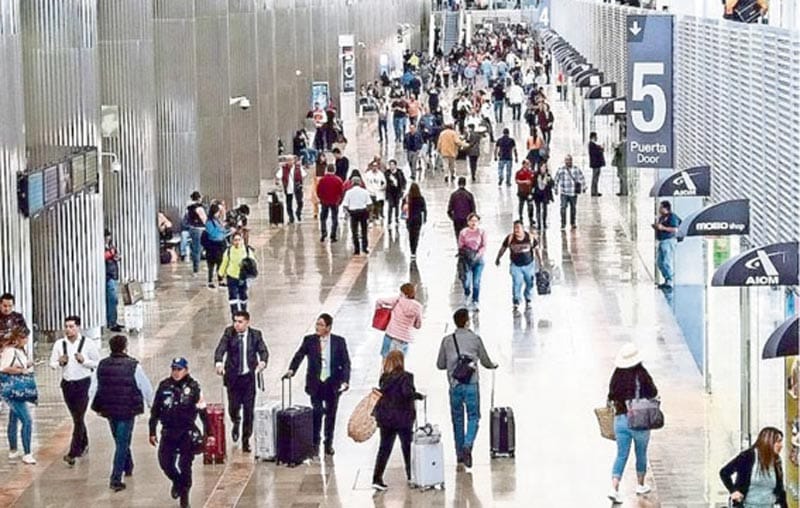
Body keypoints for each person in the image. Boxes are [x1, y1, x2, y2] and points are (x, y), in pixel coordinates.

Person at [90, 334, 154, 492]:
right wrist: (151, 404)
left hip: (109, 409)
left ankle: (128, 465)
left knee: (120, 440)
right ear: (125, 347)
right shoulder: (133, 366)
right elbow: (145, 386)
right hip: (127, 409)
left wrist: (94, 404)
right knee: (122, 442)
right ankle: (116, 478)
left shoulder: (102, 365)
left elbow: (94, 386)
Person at [436, 308, 497, 469]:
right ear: (467, 321)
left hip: (454, 385)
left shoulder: (447, 340)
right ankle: (468, 444)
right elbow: (485, 361)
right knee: (473, 417)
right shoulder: (475, 339)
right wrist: (492, 365)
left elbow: (440, 364)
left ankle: (459, 455)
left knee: (457, 419)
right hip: (471, 384)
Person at [284, 313, 351, 456]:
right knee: (317, 411)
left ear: (329, 327)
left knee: (331, 414)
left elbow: (346, 362)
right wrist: (292, 370)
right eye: (317, 324)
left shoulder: (339, 342)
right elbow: (299, 355)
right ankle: (315, 442)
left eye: (321, 325)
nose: (317, 327)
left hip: (332, 383)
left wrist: (345, 381)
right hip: (316, 383)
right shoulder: (309, 340)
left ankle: (329, 443)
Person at [149, 358, 208, 508]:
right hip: (168, 431)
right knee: (165, 463)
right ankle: (177, 481)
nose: (176, 372)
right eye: (174, 369)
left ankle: (184, 496)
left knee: (185, 465)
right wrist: (152, 430)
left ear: (186, 370)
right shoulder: (164, 386)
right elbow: (155, 409)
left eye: (179, 369)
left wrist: (209, 432)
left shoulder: (194, 387)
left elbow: (203, 411)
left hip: (186, 432)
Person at [606, 343, 658, 503]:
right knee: (641, 453)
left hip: (620, 421)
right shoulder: (642, 375)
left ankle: (614, 488)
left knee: (621, 455)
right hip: (640, 421)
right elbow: (654, 392)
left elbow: (611, 396)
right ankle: (640, 485)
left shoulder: (616, 376)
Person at [213, 310, 269, 453]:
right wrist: (219, 362)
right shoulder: (229, 333)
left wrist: (262, 362)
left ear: (247, 322)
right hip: (233, 379)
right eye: (235, 321)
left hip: (248, 379)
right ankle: (236, 421)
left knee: (249, 411)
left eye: (240, 322)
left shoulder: (255, 335)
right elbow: (220, 349)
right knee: (233, 407)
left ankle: (245, 439)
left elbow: (263, 351)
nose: (236, 325)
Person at [49, 315, 100, 466]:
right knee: (76, 417)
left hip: (83, 383)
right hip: (67, 384)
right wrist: (59, 362)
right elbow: (52, 363)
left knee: (79, 417)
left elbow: (97, 363)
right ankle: (83, 442)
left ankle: (73, 452)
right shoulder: (59, 344)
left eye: (71, 326)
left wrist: (84, 361)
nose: (68, 329)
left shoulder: (88, 343)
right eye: (66, 326)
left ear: (78, 327)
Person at [371, 350, 424, 491]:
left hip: (386, 419)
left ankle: (377, 478)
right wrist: (418, 396)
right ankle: (411, 476)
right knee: (407, 448)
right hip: (403, 418)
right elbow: (407, 393)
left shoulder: (384, 378)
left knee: (384, 448)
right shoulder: (406, 377)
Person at [720, 426, 788, 508]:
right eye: (778, 442)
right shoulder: (747, 456)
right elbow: (724, 472)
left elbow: (780, 490)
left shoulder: (776, 461)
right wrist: (733, 491)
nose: (781, 445)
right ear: (768, 441)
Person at [0, 329, 37, 464]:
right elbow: (3, 368)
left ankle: (13, 449)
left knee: (13, 418)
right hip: (13, 390)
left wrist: (27, 365)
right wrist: (21, 370)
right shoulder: (10, 351)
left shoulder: (20, 351)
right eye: (24, 337)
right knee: (27, 420)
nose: (26, 340)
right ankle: (27, 452)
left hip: (17, 390)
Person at [495, 221, 543, 312]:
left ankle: (528, 298)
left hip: (529, 265)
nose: (516, 230)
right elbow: (503, 248)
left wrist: (540, 261)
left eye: (518, 228)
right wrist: (498, 258)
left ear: (522, 228)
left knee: (530, 283)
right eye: (515, 228)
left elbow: (537, 250)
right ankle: (516, 300)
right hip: (515, 265)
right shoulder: (510, 238)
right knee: (517, 282)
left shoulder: (530, 238)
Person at [376, 283, 423, 358]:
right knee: (399, 364)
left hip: (391, 335)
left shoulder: (398, 300)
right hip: (404, 339)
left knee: (386, 362)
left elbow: (379, 301)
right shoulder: (418, 307)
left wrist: (380, 310)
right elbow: (418, 325)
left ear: (404, 294)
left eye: (401, 292)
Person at [218, 232, 254, 317]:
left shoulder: (247, 250)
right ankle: (234, 314)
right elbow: (225, 263)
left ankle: (243, 311)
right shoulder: (229, 251)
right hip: (232, 277)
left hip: (243, 277)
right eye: (235, 240)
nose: (237, 242)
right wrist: (220, 274)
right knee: (232, 296)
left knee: (243, 295)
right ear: (232, 241)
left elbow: (252, 262)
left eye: (239, 240)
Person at [457, 213, 487, 310]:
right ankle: (466, 293)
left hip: (478, 261)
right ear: (468, 222)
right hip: (466, 260)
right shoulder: (463, 232)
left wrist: (477, 254)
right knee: (466, 281)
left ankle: (475, 300)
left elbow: (484, 246)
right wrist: (467, 253)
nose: (473, 223)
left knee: (476, 282)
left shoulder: (482, 232)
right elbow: (460, 246)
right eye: (472, 221)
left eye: (475, 221)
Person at [653, 201, 681, 289]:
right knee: (659, 262)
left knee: (666, 261)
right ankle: (667, 279)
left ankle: (670, 280)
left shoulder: (672, 217)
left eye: (661, 208)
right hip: (662, 241)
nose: (659, 210)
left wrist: (663, 228)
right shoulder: (662, 217)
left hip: (669, 241)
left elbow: (675, 229)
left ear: (666, 208)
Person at [554, 155, 586, 230]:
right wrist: (555, 189)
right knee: (563, 208)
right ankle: (563, 223)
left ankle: (572, 222)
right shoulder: (561, 170)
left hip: (573, 192)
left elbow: (581, 178)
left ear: (571, 161)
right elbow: (556, 179)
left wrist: (584, 187)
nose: (568, 162)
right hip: (564, 192)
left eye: (569, 160)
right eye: (566, 160)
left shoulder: (576, 169)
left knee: (573, 208)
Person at [342, 176, 372, 256]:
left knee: (354, 231)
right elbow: (369, 203)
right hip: (363, 212)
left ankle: (357, 249)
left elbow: (345, 204)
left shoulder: (349, 192)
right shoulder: (365, 192)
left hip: (353, 213)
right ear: (360, 183)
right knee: (364, 231)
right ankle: (365, 248)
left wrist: (348, 212)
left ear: (352, 183)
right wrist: (368, 213)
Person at [276, 155, 308, 224]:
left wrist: (301, 183)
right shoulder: (283, 169)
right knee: (289, 204)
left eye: (291, 160)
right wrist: (278, 182)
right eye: (288, 160)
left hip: (297, 187)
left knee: (300, 202)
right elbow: (278, 176)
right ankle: (291, 217)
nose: (290, 161)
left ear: (294, 160)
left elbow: (304, 175)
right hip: (288, 188)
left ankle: (298, 212)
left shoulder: (298, 168)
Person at [317, 165, 344, 243]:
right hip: (335, 202)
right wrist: (340, 201)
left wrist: (321, 199)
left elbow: (318, 191)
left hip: (324, 201)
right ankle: (333, 235)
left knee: (323, 218)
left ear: (326, 170)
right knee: (334, 218)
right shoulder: (338, 180)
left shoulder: (322, 180)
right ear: (334, 170)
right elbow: (341, 192)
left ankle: (324, 232)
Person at [204, 203, 228, 289]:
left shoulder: (217, 221)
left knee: (220, 263)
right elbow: (212, 233)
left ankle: (220, 280)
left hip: (220, 244)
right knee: (211, 264)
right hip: (212, 245)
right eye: (218, 212)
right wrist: (221, 231)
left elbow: (222, 230)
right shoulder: (209, 222)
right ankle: (210, 281)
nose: (219, 214)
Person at [104, 229, 123, 332]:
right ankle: (111, 323)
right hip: (108, 276)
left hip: (114, 274)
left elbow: (116, 255)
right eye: (107, 236)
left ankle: (113, 321)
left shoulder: (111, 247)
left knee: (114, 300)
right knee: (112, 299)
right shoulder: (102, 247)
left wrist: (116, 256)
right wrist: (111, 254)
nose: (108, 238)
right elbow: (104, 256)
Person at [185, 191, 207, 275]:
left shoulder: (189, 208)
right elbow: (204, 219)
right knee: (198, 249)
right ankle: (196, 269)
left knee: (196, 249)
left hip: (192, 229)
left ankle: (196, 269)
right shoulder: (199, 208)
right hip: (200, 229)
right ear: (199, 198)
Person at [403, 183, 427, 259]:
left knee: (410, 235)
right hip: (418, 219)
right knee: (416, 235)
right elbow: (424, 210)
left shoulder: (407, 198)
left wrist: (404, 217)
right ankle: (414, 250)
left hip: (409, 219)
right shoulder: (420, 198)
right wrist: (424, 219)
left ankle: (411, 250)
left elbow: (403, 208)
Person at [532, 162, 555, 230]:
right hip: (537, 194)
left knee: (545, 209)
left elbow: (552, 184)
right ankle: (539, 224)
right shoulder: (536, 175)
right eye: (542, 167)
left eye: (545, 167)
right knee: (538, 209)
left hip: (545, 194)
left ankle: (544, 223)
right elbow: (532, 184)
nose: (543, 169)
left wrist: (549, 181)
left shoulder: (548, 175)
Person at [384, 160, 407, 227]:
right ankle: (389, 221)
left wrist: (403, 189)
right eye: (390, 165)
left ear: (395, 165)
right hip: (390, 192)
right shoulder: (387, 173)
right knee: (390, 206)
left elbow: (403, 181)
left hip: (397, 192)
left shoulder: (399, 172)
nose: (391, 166)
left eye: (393, 165)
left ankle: (396, 219)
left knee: (397, 206)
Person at [514, 160, 535, 227]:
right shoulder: (519, 172)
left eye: (529, 164)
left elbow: (533, 181)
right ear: (523, 165)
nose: (528, 166)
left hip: (529, 192)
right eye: (527, 164)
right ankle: (521, 217)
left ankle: (531, 218)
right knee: (521, 205)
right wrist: (524, 182)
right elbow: (517, 181)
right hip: (522, 192)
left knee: (530, 206)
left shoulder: (531, 172)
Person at [588, 132, 606, 197]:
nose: (597, 138)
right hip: (595, 164)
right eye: (596, 136)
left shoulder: (593, 144)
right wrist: (601, 148)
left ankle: (595, 191)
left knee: (596, 178)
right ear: (593, 137)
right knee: (595, 178)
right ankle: (593, 192)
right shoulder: (591, 144)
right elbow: (596, 152)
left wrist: (600, 148)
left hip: (596, 164)